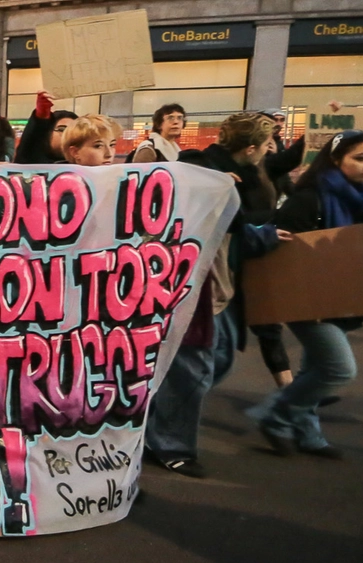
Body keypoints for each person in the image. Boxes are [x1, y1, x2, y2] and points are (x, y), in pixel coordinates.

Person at [144, 112, 290, 478]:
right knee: (193, 369)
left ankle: (155, 423)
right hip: (194, 289)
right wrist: (210, 186)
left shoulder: (244, 175)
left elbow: (233, 230)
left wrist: (263, 236)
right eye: (267, 144)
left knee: (217, 361)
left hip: (219, 289)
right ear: (252, 147)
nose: (269, 151)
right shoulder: (200, 165)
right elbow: (173, 197)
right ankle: (171, 446)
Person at [255, 131, 363, 458]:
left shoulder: (357, 196)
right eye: (361, 157)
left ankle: (309, 436)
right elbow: (280, 249)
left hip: (343, 300)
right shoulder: (311, 198)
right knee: (339, 369)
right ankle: (275, 415)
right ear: (334, 159)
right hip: (309, 303)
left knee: (313, 370)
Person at [14, 91, 77, 164]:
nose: (69, 135)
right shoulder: (30, 161)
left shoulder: (84, 167)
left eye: (74, 131)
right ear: (48, 133)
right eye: (62, 129)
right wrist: (41, 117)